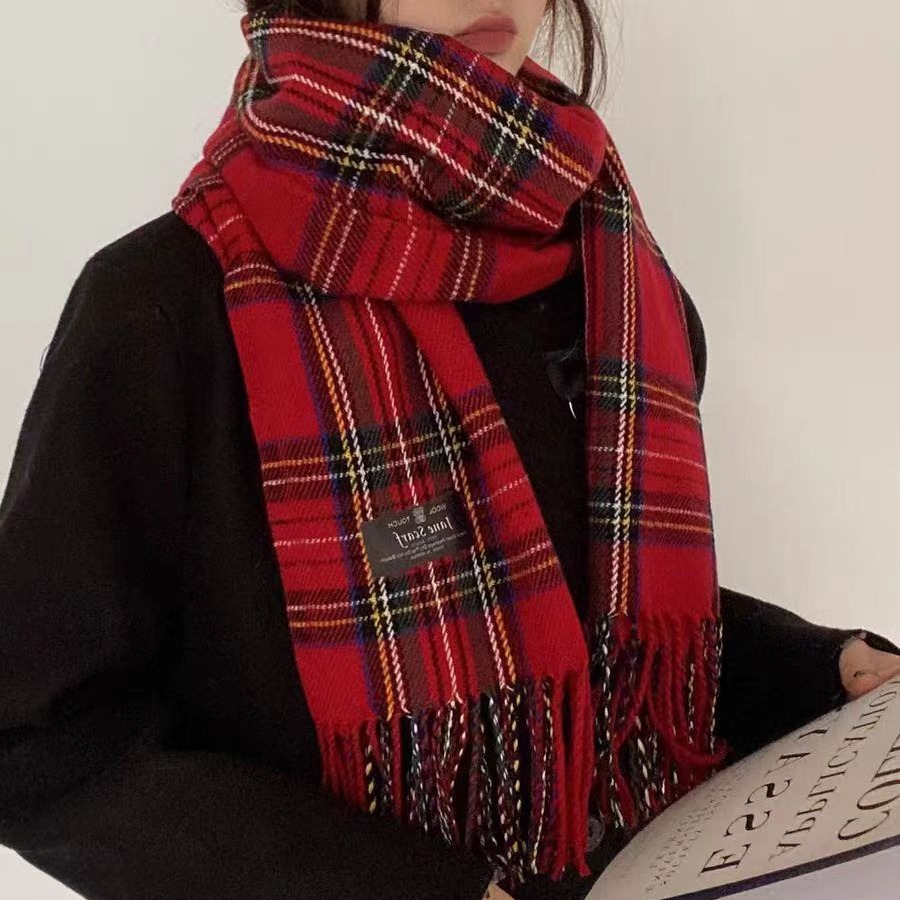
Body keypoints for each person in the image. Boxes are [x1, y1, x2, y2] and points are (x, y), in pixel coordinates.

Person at [1, 3, 898, 900]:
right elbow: (38, 746)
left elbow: (596, 625)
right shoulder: (164, 308)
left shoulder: (610, 271)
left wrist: (818, 671)